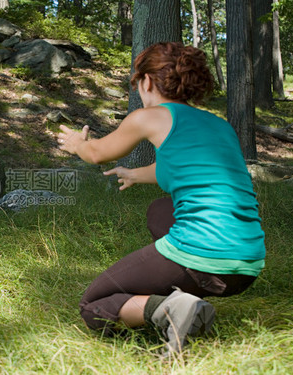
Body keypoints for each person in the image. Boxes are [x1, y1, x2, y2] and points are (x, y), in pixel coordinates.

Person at [57, 42, 265, 355]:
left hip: (205, 254)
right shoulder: (219, 126)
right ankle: (190, 299)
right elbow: (179, 169)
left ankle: (170, 308)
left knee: (93, 306)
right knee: (160, 210)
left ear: (148, 80)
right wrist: (135, 174)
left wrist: (77, 144)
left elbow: (96, 152)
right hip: (246, 265)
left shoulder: (149, 117)